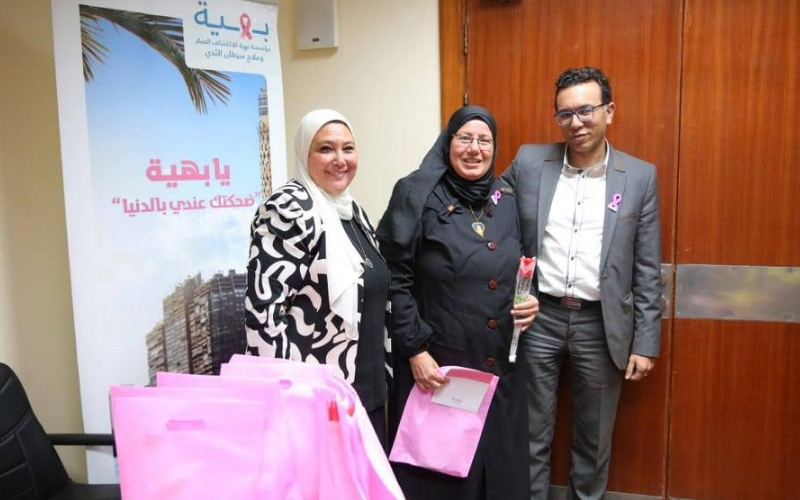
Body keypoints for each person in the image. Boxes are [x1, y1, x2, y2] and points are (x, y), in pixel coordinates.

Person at [501, 67, 662, 499]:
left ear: (609, 111)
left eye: (586, 110)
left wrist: (645, 341)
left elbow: (647, 266)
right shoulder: (530, 162)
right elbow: (490, 211)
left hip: (601, 325)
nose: (576, 123)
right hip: (539, 319)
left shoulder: (640, 177)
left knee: (593, 444)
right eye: (565, 114)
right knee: (529, 434)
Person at [377, 106, 539, 500]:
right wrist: (414, 349)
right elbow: (394, 276)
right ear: (448, 143)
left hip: (499, 361)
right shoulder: (416, 193)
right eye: (464, 138)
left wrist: (529, 298)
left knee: (498, 472)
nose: (474, 149)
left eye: (484, 140)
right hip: (439, 363)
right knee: (444, 477)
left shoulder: (505, 198)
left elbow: (520, 262)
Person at [244, 109, 391, 447]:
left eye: (348, 148)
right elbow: (264, 316)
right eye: (326, 149)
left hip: (366, 396)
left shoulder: (351, 211)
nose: (340, 160)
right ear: (304, 153)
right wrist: (286, 401)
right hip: (314, 405)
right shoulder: (287, 209)